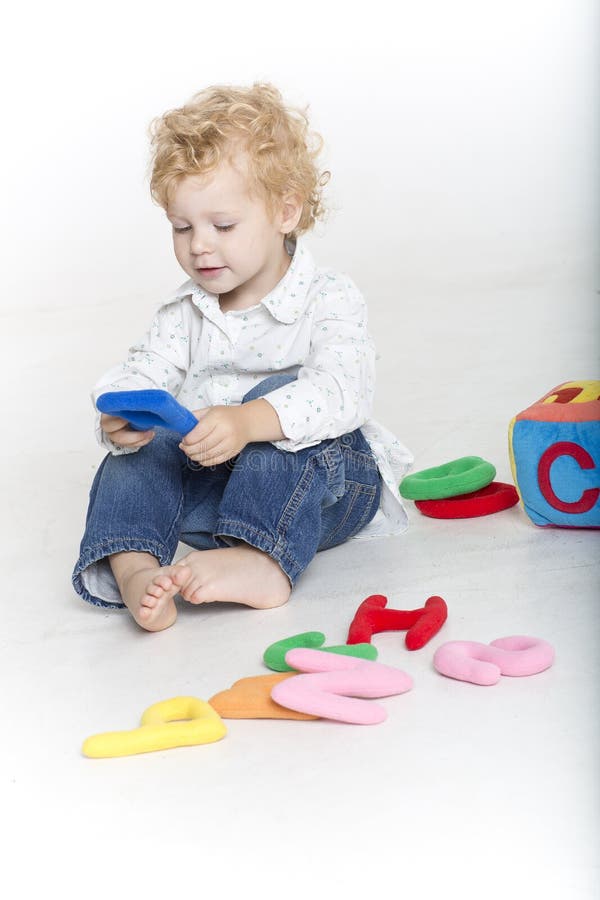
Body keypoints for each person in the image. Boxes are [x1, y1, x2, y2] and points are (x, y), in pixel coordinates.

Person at [71, 82, 413, 632]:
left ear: (285, 211)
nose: (199, 245)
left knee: (270, 399)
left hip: (325, 486)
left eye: (222, 226)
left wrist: (249, 421)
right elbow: (143, 368)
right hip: (216, 487)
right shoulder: (184, 312)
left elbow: (343, 391)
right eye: (182, 228)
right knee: (138, 454)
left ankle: (263, 559)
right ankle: (136, 566)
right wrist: (123, 415)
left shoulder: (328, 296)